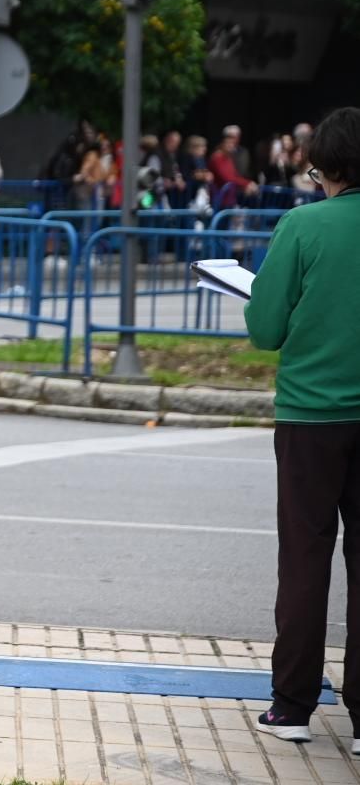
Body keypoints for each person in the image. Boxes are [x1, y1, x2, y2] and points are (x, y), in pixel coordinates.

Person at [244, 107, 360, 750]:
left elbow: (264, 331)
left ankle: (292, 706)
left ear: (330, 166)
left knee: (306, 557)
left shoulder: (302, 225)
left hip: (312, 416)